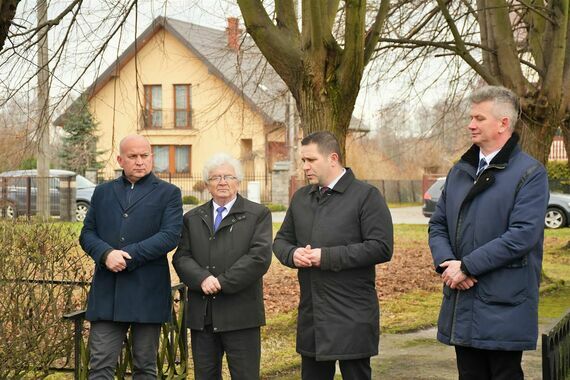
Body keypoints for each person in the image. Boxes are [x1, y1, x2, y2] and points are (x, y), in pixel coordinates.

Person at [429, 85, 549, 380]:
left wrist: (468, 266)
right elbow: (438, 223)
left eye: (479, 118)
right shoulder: (461, 171)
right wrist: (448, 264)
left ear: (503, 123)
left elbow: (522, 235)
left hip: (503, 303)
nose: (471, 124)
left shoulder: (530, 174)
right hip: (462, 298)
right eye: (471, 117)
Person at [273, 131, 393, 380]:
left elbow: (381, 247)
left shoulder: (366, 196)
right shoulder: (301, 198)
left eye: (311, 160)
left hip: (353, 313)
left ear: (333, 158)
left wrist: (325, 257)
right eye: (303, 161)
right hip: (313, 314)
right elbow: (281, 242)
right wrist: (293, 254)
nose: (305, 167)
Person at [79, 135, 183, 379]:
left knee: (145, 367)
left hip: (147, 292)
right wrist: (105, 254)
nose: (139, 162)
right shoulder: (103, 192)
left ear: (151, 158)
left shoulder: (168, 193)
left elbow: (169, 236)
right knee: (100, 366)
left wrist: (127, 257)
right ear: (120, 160)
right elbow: (87, 233)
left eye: (144, 156)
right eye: (133, 157)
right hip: (108, 293)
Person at [172, 153, 272, 380]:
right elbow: (181, 257)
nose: (222, 182)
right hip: (203, 317)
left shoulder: (258, 214)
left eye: (228, 176)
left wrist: (222, 282)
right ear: (207, 184)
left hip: (241, 315)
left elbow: (259, 257)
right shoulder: (193, 218)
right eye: (215, 177)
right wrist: (202, 279)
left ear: (239, 181)